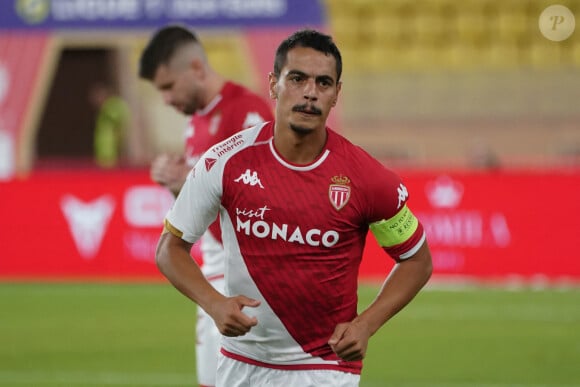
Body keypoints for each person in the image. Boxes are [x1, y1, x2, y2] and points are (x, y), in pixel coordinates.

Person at [156, 29, 432, 387]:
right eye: (297, 78)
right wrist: (214, 302)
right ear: (273, 84)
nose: (310, 93)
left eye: (324, 83)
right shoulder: (223, 162)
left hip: (325, 368)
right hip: (242, 361)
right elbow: (169, 248)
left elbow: (417, 259)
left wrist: (367, 324)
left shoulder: (367, 178)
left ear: (336, 94)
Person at [139, 25, 274, 387]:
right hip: (211, 266)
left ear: (196, 68)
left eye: (168, 87)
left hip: (241, 271)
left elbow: (269, 200)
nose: (165, 99)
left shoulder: (247, 114)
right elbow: (200, 208)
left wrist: (192, 185)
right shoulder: (195, 122)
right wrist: (177, 186)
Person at [89, 82, 130, 168]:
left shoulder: (112, 105)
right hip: (101, 144)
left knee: (109, 167)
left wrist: (118, 135)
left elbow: (120, 120)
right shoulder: (103, 110)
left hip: (110, 145)